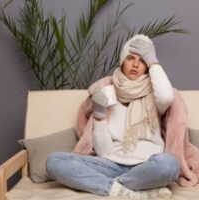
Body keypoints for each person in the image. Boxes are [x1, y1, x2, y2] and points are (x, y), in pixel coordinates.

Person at [46, 34, 180, 199]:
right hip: (111, 164)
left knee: (170, 165)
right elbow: (103, 152)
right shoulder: (107, 91)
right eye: (130, 58)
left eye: (142, 60)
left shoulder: (155, 95)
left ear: (148, 66)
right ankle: (133, 190)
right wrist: (99, 115)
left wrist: (152, 60)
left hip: (147, 166)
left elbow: (168, 96)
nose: (136, 64)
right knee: (54, 161)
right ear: (122, 61)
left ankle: (109, 185)